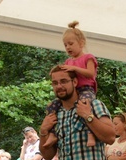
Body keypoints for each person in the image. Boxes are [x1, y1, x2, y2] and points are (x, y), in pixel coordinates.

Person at [42, 21, 98, 149]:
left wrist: (74, 69)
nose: (68, 47)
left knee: (85, 105)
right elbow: (61, 71)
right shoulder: (68, 61)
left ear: (81, 43)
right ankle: (53, 133)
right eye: (65, 45)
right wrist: (54, 71)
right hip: (74, 91)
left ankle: (91, 133)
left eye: (71, 44)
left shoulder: (88, 57)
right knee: (52, 105)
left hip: (86, 89)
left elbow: (90, 73)